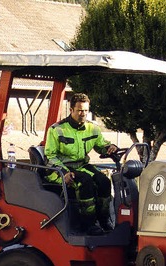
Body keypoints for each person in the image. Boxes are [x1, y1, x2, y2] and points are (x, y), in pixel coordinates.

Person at [44, 92, 118, 234]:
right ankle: (88, 224)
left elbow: (100, 145)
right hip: (59, 170)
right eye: (79, 110)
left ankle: (104, 220)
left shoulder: (93, 128)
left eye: (85, 110)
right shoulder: (57, 129)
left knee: (104, 181)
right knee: (85, 182)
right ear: (71, 110)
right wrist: (64, 172)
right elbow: (50, 156)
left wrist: (109, 148)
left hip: (82, 166)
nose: (83, 113)